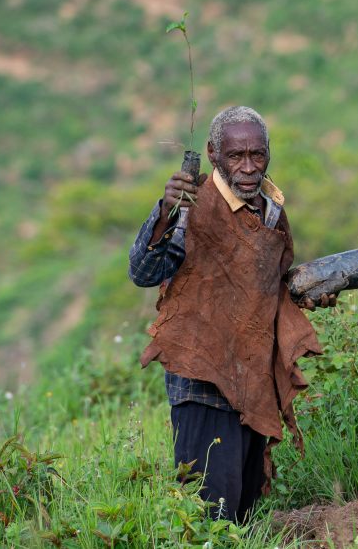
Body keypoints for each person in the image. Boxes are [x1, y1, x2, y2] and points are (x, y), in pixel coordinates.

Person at [128, 106, 335, 522]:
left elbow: (261, 291)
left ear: (268, 155)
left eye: (256, 156)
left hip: (252, 385)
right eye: (235, 156)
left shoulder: (272, 212)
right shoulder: (190, 207)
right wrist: (165, 211)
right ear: (213, 154)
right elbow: (143, 272)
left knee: (243, 514)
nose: (247, 168)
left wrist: (304, 291)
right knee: (207, 517)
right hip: (201, 383)